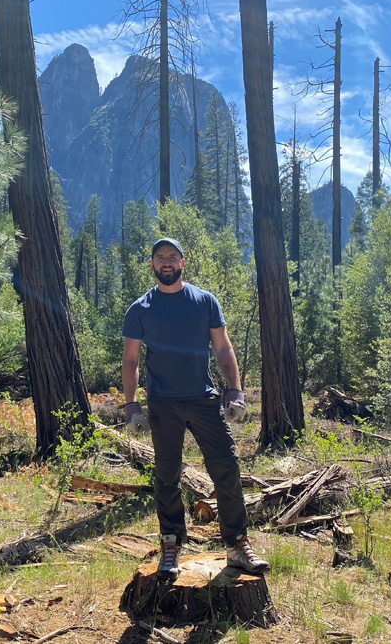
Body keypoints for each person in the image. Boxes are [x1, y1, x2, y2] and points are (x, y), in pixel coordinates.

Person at [121, 237, 270, 581]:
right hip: (162, 404)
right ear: (153, 266)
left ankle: (237, 545)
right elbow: (131, 361)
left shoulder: (204, 301)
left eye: (173, 257)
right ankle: (171, 546)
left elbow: (222, 348)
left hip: (204, 400)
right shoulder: (140, 309)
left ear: (183, 263)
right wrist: (131, 406)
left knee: (227, 470)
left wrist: (235, 390)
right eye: (161, 258)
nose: (167, 262)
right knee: (167, 476)